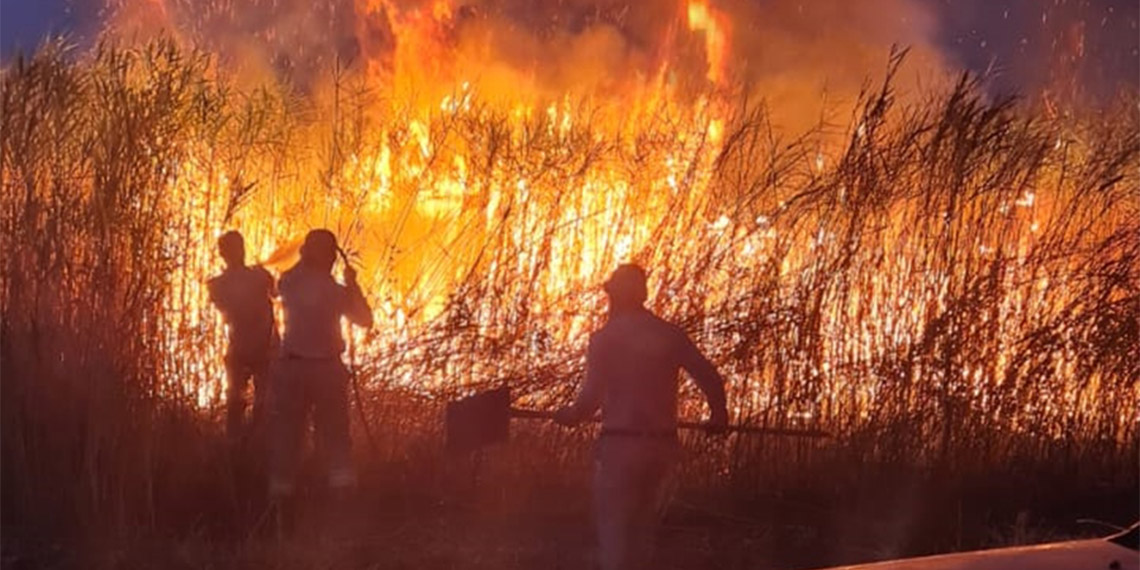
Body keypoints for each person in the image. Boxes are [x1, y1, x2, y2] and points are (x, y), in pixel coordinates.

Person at [554, 263, 728, 570]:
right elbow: (710, 378)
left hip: (620, 448)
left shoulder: (605, 339)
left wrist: (569, 415)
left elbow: (590, 400)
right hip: (662, 449)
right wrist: (718, 414)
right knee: (644, 537)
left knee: (616, 539)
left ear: (616, 296)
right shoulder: (669, 334)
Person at [269, 229, 373, 532]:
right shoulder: (336, 291)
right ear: (329, 257)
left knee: (287, 439)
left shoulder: (288, 283)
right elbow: (365, 319)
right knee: (337, 439)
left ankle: (280, 514)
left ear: (306, 254)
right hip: (328, 372)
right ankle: (341, 513)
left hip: (293, 371)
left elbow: (280, 282)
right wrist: (353, 284)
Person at [207, 230, 278, 445]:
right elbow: (275, 293)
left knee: (238, 402)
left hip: (245, 348)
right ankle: (253, 443)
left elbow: (224, 308)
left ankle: (239, 445)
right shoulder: (258, 276)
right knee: (259, 401)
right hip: (258, 348)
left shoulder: (217, 283)